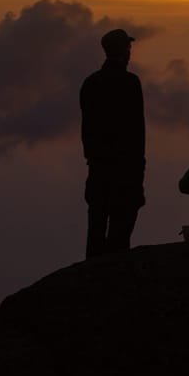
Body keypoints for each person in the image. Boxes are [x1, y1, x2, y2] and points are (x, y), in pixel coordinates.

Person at [80, 28, 145, 258]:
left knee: (96, 229)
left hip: (98, 166)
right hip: (125, 169)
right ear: (125, 52)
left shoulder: (90, 84)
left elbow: (86, 129)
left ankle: (92, 282)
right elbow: (137, 132)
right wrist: (139, 172)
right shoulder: (130, 83)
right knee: (121, 232)